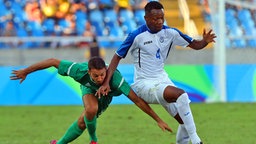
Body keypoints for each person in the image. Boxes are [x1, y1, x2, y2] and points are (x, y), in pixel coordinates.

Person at [96, 1, 216, 144]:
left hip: (163, 80)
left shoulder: (171, 33)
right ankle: (196, 140)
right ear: (146, 18)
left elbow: (195, 45)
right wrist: (106, 82)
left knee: (184, 120)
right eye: (155, 18)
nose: (159, 21)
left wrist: (205, 41)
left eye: (162, 18)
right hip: (144, 84)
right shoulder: (136, 36)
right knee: (181, 95)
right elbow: (117, 57)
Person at [10, 56, 172, 144]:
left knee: (82, 122)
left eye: (102, 74)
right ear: (88, 72)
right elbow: (52, 61)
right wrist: (26, 71)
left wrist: (158, 119)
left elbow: (136, 100)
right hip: (88, 89)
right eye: (96, 75)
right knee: (91, 110)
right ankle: (94, 141)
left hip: (106, 95)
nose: (100, 78)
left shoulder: (114, 79)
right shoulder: (78, 71)